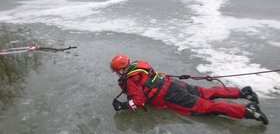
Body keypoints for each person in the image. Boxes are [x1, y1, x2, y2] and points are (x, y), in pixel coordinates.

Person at [110, 54, 269, 125]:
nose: (117, 74)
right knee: (206, 92)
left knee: (207, 107)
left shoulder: (130, 80)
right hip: (173, 84)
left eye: (116, 71)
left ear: (120, 70)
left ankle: (248, 111)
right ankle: (243, 92)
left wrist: (123, 106)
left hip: (171, 95)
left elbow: (138, 101)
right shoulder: (140, 64)